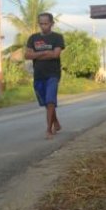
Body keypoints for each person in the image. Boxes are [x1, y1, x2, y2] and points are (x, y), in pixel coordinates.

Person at [25, 12, 65, 140]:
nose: (43, 26)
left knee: (50, 100)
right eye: (41, 23)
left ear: (52, 24)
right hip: (38, 75)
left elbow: (55, 55)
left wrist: (37, 54)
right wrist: (45, 52)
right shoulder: (33, 38)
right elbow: (27, 55)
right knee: (46, 103)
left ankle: (49, 130)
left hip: (53, 74)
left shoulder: (57, 37)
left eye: (46, 23)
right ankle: (56, 122)